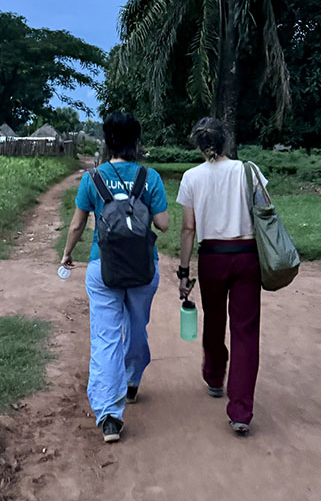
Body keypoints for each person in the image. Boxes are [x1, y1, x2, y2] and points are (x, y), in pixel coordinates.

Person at [61, 112, 170, 443]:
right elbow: (163, 225)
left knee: (106, 338)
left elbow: (78, 224)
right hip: (142, 269)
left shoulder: (92, 179)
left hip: (103, 269)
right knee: (137, 327)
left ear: (107, 141)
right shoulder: (149, 178)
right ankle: (132, 379)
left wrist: (67, 254)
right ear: (136, 142)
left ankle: (109, 415)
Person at [176, 117, 269, 437]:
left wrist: (184, 271)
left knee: (214, 320)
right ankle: (241, 410)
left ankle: (215, 377)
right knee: (245, 331)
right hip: (247, 256)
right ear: (226, 140)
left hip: (212, 256)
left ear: (199, 145)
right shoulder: (249, 171)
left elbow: (188, 229)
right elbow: (265, 213)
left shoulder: (190, 178)